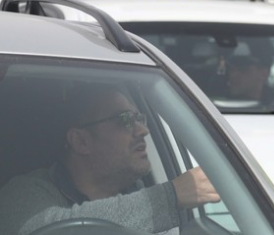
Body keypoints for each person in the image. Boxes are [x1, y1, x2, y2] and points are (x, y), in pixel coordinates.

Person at [0, 84, 220, 235]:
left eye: (138, 118)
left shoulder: (141, 195)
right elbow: (44, 229)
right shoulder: (25, 192)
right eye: (124, 120)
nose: (143, 130)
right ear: (81, 141)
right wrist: (169, 196)